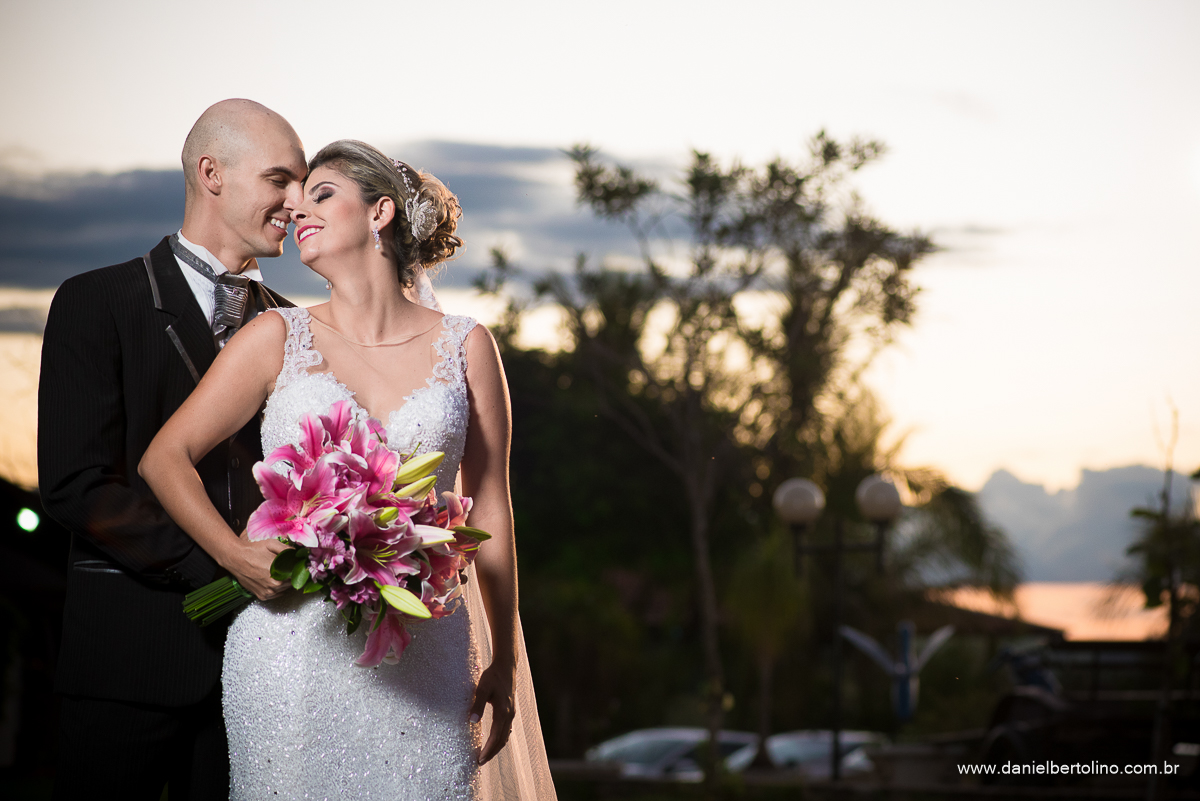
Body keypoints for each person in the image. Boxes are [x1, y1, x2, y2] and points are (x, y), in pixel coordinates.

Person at [140, 140, 556, 799]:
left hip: (423, 651)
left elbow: (491, 510)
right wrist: (235, 555)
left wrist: (503, 656)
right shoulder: (275, 336)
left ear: (380, 212)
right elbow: (164, 458)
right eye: (296, 199)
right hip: (289, 654)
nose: (296, 208)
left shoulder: (467, 345)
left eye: (322, 193)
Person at [37, 99, 304, 800]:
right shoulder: (96, 302)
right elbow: (76, 482)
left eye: (302, 183)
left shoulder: (297, 330)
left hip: (262, 668)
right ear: (211, 173)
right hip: (128, 661)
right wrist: (224, 558)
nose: (295, 201)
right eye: (280, 178)